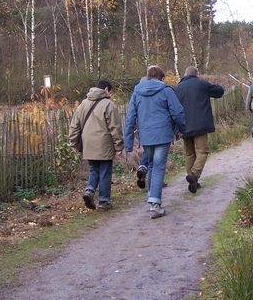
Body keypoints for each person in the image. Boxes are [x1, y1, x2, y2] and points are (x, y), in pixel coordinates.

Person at [124, 66, 186, 219]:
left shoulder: (137, 92)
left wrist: (128, 142)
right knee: (158, 167)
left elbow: (130, 117)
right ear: (161, 78)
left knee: (151, 165)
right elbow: (177, 112)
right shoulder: (166, 90)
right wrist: (182, 128)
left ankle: (152, 199)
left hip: (146, 136)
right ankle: (155, 203)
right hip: (163, 134)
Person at [69, 80, 124, 212]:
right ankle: (103, 201)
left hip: (88, 143)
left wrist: (74, 143)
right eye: (110, 92)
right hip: (104, 143)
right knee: (105, 172)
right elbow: (114, 127)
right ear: (106, 89)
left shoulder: (83, 104)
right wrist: (119, 145)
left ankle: (89, 190)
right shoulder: (108, 104)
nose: (110, 95)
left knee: (94, 169)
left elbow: (75, 125)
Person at [174, 66, 225, 194]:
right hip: (200, 125)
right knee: (203, 151)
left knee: (189, 153)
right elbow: (219, 91)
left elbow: (173, 109)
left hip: (184, 126)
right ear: (197, 75)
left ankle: (193, 181)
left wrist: (175, 128)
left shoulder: (177, 88)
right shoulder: (202, 84)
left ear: (185, 75)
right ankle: (194, 174)